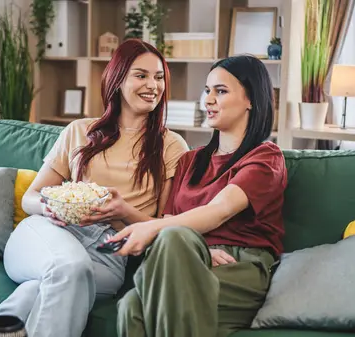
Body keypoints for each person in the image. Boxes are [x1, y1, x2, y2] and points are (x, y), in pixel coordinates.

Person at [0, 39, 189, 337]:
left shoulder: (171, 146)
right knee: (67, 267)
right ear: (117, 79)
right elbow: (32, 197)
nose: (153, 85)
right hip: (49, 232)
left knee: (41, 287)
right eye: (141, 75)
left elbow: (165, 228)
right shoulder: (80, 131)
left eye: (159, 77)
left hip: (108, 252)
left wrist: (122, 212)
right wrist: (50, 207)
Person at [111, 54, 288, 337]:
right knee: (130, 304)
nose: (208, 100)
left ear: (250, 99)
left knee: (171, 240)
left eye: (221, 91)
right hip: (189, 256)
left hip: (240, 266)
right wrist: (193, 248)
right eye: (207, 90)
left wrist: (158, 231)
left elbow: (220, 210)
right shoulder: (189, 161)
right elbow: (171, 222)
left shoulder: (266, 157)